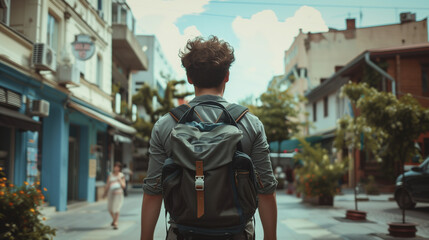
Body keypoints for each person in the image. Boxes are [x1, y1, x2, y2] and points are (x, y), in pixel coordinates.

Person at [140, 36, 278, 240]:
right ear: (227, 76)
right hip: (237, 234)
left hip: (183, 234)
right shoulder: (250, 123)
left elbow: (153, 191)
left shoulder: (166, 125)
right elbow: (266, 190)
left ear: (189, 78)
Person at [103, 161, 125, 229]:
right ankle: (114, 220)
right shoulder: (110, 175)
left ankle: (116, 223)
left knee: (116, 208)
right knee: (110, 209)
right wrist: (105, 193)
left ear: (120, 168)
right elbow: (107, 184)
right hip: (111, 193)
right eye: (115, 166)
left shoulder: (121, 175)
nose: (116, 168)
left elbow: (124, 186)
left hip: (118, 194)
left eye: (118, 167)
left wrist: (119, 180)